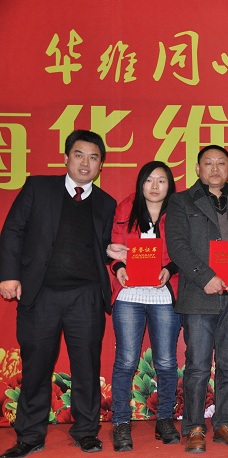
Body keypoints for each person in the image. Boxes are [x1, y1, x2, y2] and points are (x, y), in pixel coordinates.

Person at [0, 130, 120, 457]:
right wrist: (9, 275)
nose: (85, 163)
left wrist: (113, 253)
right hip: (41, 293)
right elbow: (12, 231)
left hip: (86, 296)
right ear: (66, 158)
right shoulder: (38, 188)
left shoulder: (106, 203)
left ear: (101, 165)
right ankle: (29, 436)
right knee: (36, 366)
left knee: (86, 367)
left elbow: (104, 248)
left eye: (93, 158)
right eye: (79, 155)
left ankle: (86, 431)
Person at [165, 145, 228, 453]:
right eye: (208, 163)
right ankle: (194, 427)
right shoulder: (180, 201)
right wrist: (205, 277)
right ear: (198, 169)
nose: (215, 169)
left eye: (221, 163)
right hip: (198, 295)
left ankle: (225, 424)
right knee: (198, 367)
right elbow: (177, 245)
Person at [108, 161, 181, 451]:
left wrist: (170, 269)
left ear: (169, 185)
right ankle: (120, 423)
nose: (154, 186)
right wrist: (118, 267)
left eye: (161, 180)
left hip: (164, 295)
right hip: (129, 295)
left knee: (166, 362)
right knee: (126, 361)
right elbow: (114, 246)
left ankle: (165, 419)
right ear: (141, 183)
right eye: (149, 180)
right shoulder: (126, 209)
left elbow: (185, 250)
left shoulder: (178, 211)